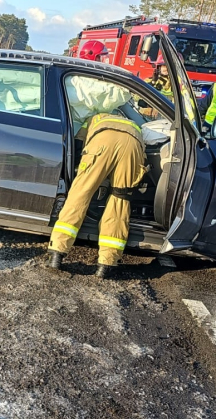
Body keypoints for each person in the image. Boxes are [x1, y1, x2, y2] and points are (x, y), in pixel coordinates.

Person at [47, 77, 146, 279]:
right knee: (120, 199)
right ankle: (106, 263)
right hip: (133, 145)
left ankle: (57, 252)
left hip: (101, 140)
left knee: (80, 193)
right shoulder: (134, 123)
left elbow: (79, 145)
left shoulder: (96, 117)